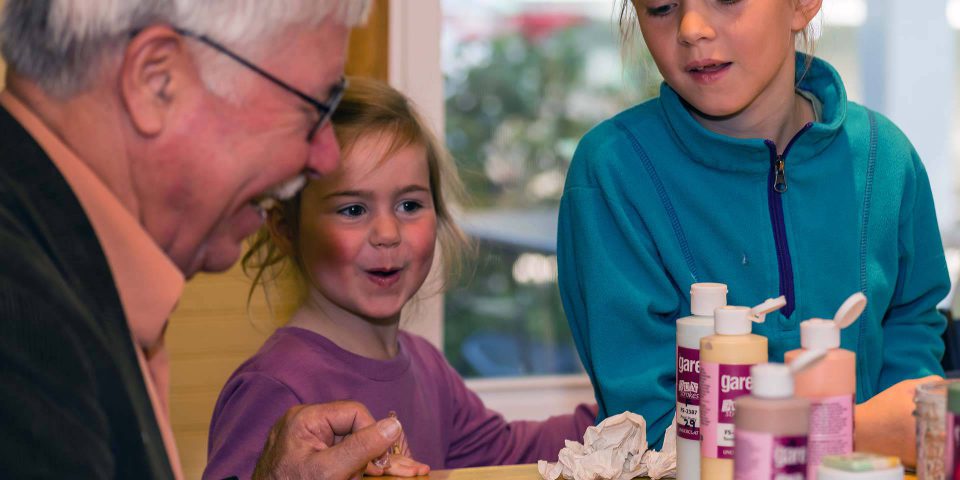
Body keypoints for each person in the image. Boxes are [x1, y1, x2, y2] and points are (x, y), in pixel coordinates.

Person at [0, 1, 408, 478]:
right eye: (314, 110)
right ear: (157, 81)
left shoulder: (60, 268)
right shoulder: (23, 327)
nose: (324, 157)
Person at [556, 0, 948, 465]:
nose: (691, 28)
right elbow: (654, 430)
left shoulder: (888, 159)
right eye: (661, 6)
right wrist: (850, 434)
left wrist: (898, 428)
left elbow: (912, 353)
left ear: (802, 5)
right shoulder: (612, 172)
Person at [203, 78, 599, 480]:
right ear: (285, 228)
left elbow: (510, 453)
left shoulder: (427, 366)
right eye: (353, 210)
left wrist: (628, 408)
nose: (388, 233)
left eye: (409, 204)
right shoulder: (273, 387)